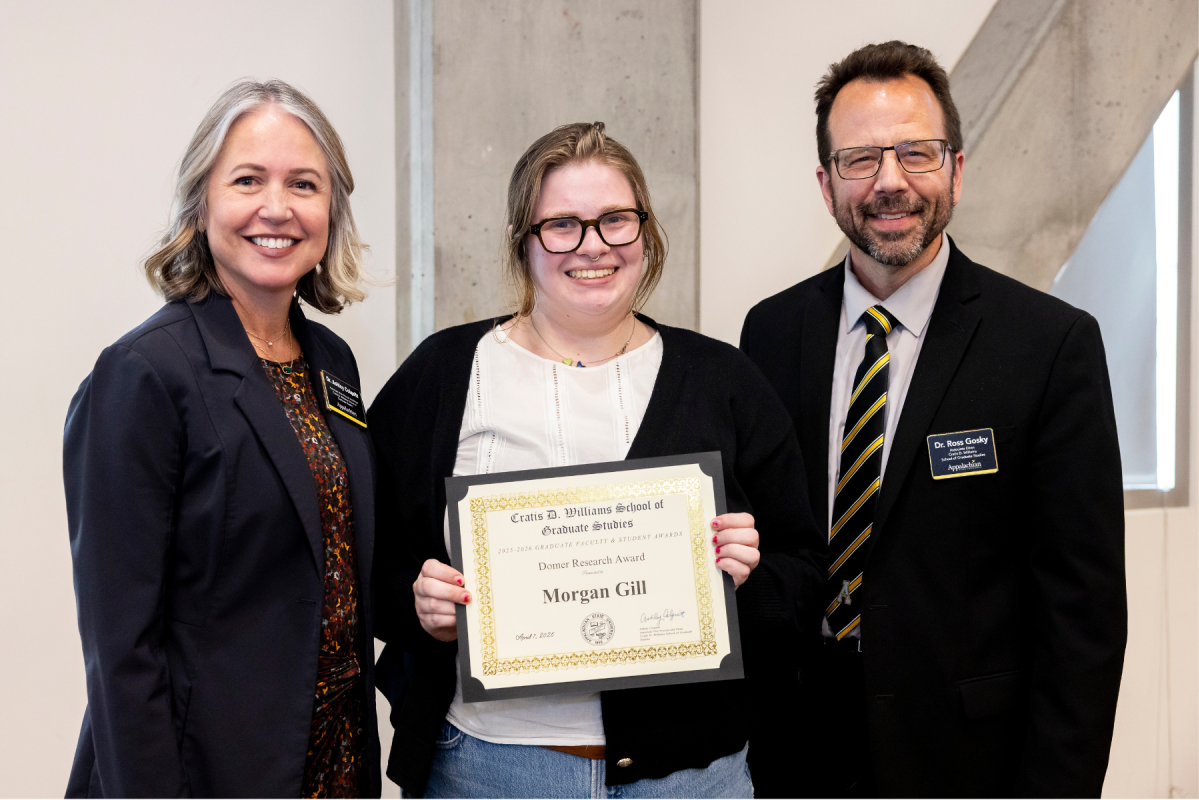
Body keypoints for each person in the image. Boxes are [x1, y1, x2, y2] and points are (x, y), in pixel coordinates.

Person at [369, 121, 828, 798]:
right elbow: (360, 558)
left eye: (616, 220)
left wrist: (747, 579)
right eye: (562, 225)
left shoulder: (724, 381)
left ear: (645, 233)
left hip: (689, 779)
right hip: (489, 770)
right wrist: (419, 604)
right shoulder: (445, 373)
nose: (592, 247)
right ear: (523, 242)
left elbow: (805, 572)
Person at [740, 41, 1127, 797]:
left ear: (956, 167)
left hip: (969, 759)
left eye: (916, 153)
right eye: (860, 160)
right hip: (795, 751)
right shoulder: (771, 333)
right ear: (826, 185)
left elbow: (1083, 615)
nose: (890, 182)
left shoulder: (1050, 345)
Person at [64, 79, 380, 798]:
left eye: (304, 183)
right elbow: (122, 650)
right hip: (203, 774)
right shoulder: (143, 375)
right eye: (247, 180)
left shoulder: (331, 362)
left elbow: (334, 561)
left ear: (332, 209)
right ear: (201, 202)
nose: (277, 207)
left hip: (331, 765)